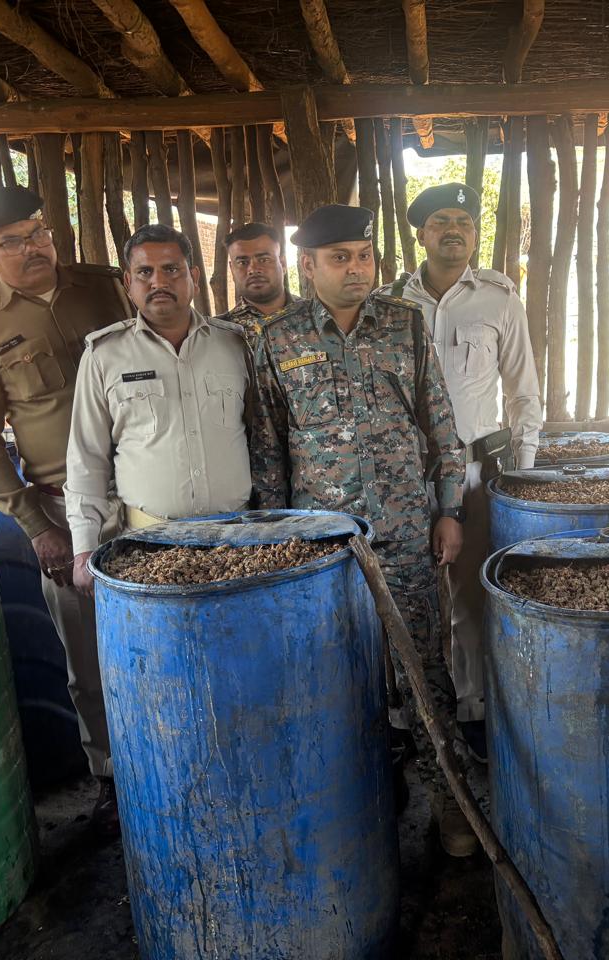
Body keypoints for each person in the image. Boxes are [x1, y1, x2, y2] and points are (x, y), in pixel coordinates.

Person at [246, 204, 473, 855]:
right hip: (324, 552)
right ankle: (362, 809)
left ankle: (453, 810)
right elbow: (269, 453)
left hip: (405, 535)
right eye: (340, 258)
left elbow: (439, 423)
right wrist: (279, 541)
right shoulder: (278, 339)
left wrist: (449, 508)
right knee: (338, 687)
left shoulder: (405, 325)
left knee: (427, 679)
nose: (356, 268)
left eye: (364, 255)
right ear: (309, 266)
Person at [0, 185, 132, 835]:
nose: (32, 249)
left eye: (39, 232)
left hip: (147, 502)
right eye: (11, 242)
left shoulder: (108, 288)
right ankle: (111, 779)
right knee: (87, 658)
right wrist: (37, 528)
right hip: (63, 512)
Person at [382, 183, 542, 763]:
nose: (455, 230)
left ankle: (472, 709)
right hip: (403, 477)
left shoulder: (499, 298)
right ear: (420, 234)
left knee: (471, 595)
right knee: (403, 596)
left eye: (466, 222)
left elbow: (524, 392)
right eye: (442, 221)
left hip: (477, 469)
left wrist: (522, 477)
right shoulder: (389, 304)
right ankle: (406, 712)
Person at [66, 224, 263, 593]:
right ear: (128, 282)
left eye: (171, 269)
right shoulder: (104, 356)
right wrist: (83, 550)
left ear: (194, 276)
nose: (159, 281)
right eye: (145, 272)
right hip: (148, 550)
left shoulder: (236, 346)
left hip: (237, 544)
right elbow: (86, 460)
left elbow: (259, 439)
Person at [216, 222, 299, 330]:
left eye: (264, 260)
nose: (253, 269)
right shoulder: (219, 332)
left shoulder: (319, 317)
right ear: (232, 270)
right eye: (243, 262)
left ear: (283, 264)